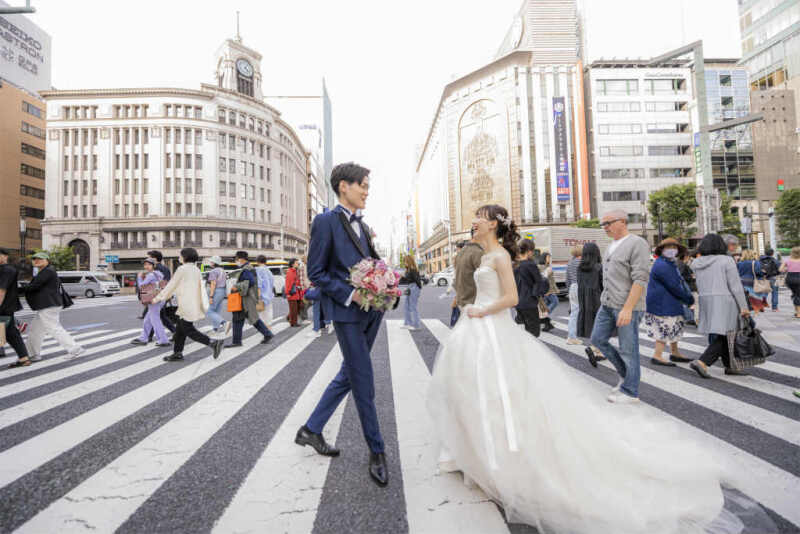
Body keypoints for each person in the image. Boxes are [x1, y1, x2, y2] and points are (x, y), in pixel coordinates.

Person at [427, 204, 740, 533]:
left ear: (492, 223)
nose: (473, 220)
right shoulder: (482, 253)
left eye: (478, 216)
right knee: (475, 390)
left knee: (504, 392)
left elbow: (512, 297)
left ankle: (502, 455)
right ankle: (476, 453)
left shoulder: (502, 257)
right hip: (477, 328)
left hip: (490, 325)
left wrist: (482, 309)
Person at [297, 162, 390, 487]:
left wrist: (388, 281)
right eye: (363, 185)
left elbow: (372, 263)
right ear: (344, 187)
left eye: (368, 185)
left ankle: (311, 429)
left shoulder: (363, 227)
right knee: (363, 379)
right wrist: (350, 295)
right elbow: (317, 272)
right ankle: (377, 451)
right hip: (348, 312)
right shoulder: (325, 221)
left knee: (348, 374)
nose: (367, 191)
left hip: (372, 311)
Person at [589, 210, 650, 403]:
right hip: (607, 303)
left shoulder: (637, 243)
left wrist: (628, 308)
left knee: (628, 349)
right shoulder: (611, 246)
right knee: (597, 339)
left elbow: (640, 278)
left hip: (626, 305)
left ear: (623, 222)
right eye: (603, 224)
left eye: (608, 223)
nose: (605, 227)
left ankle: (631, 391)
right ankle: (627, 376)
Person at [689, 234, 750, 378]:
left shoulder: (696, 263)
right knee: (727, 334)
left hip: (706, 300)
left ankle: (730, 366)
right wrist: (744, 306)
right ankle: (703, 362)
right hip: (725, 300)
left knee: (725, 334)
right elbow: (735, 286)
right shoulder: (726, 260)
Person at [152, 248, 224, 362]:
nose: (178, 257)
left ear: (185, 257)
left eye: (180, 255)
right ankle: (177, 353)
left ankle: (213, 342)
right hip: (191, 303)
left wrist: (157, 298)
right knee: (180, 329)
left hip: (186, 303)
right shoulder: (196, 269)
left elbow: (171, 285)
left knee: (188, 329)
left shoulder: (182, 269)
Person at [21, 252, 85, 361]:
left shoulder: (48, 271)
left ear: (47, 260)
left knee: (53, 328)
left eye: (40, 259)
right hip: (47, 305)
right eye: (34, 259)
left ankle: (74, 348)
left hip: (48, 305)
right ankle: (33, 354)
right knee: (36, 329)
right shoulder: (45, 271)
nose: (36, 260)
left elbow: (35, 286)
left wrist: (20, 287)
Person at [644, 238, 695, 367]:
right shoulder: (663, 265)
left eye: (674, 246)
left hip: (668, 301)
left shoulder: (668, 262)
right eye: (668, 247)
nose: (672, 249)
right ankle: (657, 355)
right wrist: (687, 298)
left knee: (675, 326)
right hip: (663, 302)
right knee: (665, 327)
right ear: (662, 250)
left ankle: (675, 352)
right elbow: (674, 286)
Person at [226, 251, 275, 347]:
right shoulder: (247, 268)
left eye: (236, 259)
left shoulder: (247, 269)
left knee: (247, 318)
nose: (236, 261)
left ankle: (266, 334)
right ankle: (238, 341)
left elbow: (251, 282)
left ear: (241, 259)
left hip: (247, 298)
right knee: (243, 318)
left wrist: (237, 286)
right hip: (246, 297)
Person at [0, 249, 31, 368]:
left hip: (4, 307)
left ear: (4, 256)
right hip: (7, 307)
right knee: (10, 333)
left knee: (10, 333)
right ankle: (24, 358)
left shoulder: (6, 270)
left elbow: (2, 291)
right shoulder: (7, 269)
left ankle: (24, 358)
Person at [131, 258, 170, 346]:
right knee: (147, 320)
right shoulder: (159, 274)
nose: (146, 266)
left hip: (153, 300)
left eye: (149, 264)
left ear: (154, 265)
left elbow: (142, 286)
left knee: (155, 320)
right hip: (160, 298)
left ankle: (163, 340)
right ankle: (144, 338)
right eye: (145, 265)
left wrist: (139, 277)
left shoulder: (151, 275)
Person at [576, 242, 605, 363]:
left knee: (591, 323)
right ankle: (596, 350)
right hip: (597, 297)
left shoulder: (579, 268)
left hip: (584, 299)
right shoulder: (598, 267)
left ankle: (595, 348)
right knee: (601, 325)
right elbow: (603, 284)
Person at [450, 232, 484, 326]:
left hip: (464, 302)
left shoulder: (460, 254)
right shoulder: (478, 252)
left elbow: (457, 279)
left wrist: (457, 298)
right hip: (474, 303)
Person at [514, 238, 545, 337]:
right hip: (529, 302)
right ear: (528, 251)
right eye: (532, 251)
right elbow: (539, 282)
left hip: (518, 302)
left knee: (525, 333)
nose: (532, 253)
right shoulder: (530, 265)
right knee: (534, 333)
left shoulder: (514, 265)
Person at [147, 250, 176, 336]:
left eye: (149, 258)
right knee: (160, 316)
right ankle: (175, 332)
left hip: (157, 295)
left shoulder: (156, 269)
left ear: (154, 258)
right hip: (161, 295)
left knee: (154, 315)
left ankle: (148, 335)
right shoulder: (165, 268)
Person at [738, 249, 767, 315]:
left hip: (742, 282)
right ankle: (756, 310)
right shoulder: (756, 262)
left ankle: (746, 308)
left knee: (745, 296)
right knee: (754, 296)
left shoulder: (739, 263)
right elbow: (759, 272)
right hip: (752, 282)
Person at [204, 256, 228, 333]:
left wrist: (211, 296)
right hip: (222, 291)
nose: (210, 263)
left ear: (214, 263)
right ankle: (215, 329)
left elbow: (213, 284)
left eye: (211, 261)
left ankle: (224, 323)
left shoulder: (213, 271)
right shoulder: (222, 270)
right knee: (216, 310)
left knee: (209, 311)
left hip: (216, 291)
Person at [400, 255, 422, 330]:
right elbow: (407, 280)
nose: (404, 263)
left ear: (409, 261)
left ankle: (416, 325)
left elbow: (417, 280)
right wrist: (402, 277)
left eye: (405, 261)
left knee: (413, 306)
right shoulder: (408, 270)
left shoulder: (413, 269)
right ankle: (407, 323)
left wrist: (418, 289)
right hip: (409, 287)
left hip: (414, 287)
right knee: (406, 306)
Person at [537, 252, 558, 332]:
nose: (549, 259)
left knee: (545, 305)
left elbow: (551, 280)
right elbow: (542, 279)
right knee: (555, 302)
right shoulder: (540, 267)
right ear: (544, 258)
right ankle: (543, 317)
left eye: (550, 257)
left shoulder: (547, 266)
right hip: (546, 290)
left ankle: (545, 321)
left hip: (549, 289)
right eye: (548, 257)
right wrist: (547, 291)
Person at [565, 245, 582, 344]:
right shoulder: (581, 262)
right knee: (577, 313)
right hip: (580, 287)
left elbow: (567, 278)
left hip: (572, 287)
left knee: (574, 312)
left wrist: (569, 290)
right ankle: (572, 337)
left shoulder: (570, 263)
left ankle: (572, 335)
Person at [779, 246, 800, 318]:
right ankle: (798, 313)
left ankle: (796, 311)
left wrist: (787, 268)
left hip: (790, 279)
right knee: (798, 295)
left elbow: (780, 269)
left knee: (795, 294)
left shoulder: (787, 260)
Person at [255, 255, 275, 327]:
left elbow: (259, 284)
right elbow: (272, 283)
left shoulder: (258, 270)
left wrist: (258, 296)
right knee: (269, 311)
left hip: (262, 295)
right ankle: (269, 326)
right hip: (269, 295)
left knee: (262, 312)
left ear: (257, 261)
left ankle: (264, 328)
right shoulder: (268, 270)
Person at [759, 248, 781, 312]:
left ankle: (761, 306)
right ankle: (774, 308)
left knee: (764, 292)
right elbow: (780, 269)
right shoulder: (775, 260)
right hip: (774, 278)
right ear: (772, 253)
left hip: (764, 278)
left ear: (765, 253)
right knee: (775, 292)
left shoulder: (760, 260)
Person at [285, 259, 302, 327]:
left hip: (297, 292)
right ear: (292, 264)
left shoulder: (295, 271)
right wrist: (288, 293)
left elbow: (296, 281)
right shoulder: (290, 272)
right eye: (296, 263)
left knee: (297, 307)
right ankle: (293, 322)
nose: (297, 264)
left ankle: (289, 317)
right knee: (294, 308)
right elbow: (288, 283)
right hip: (292, 293)